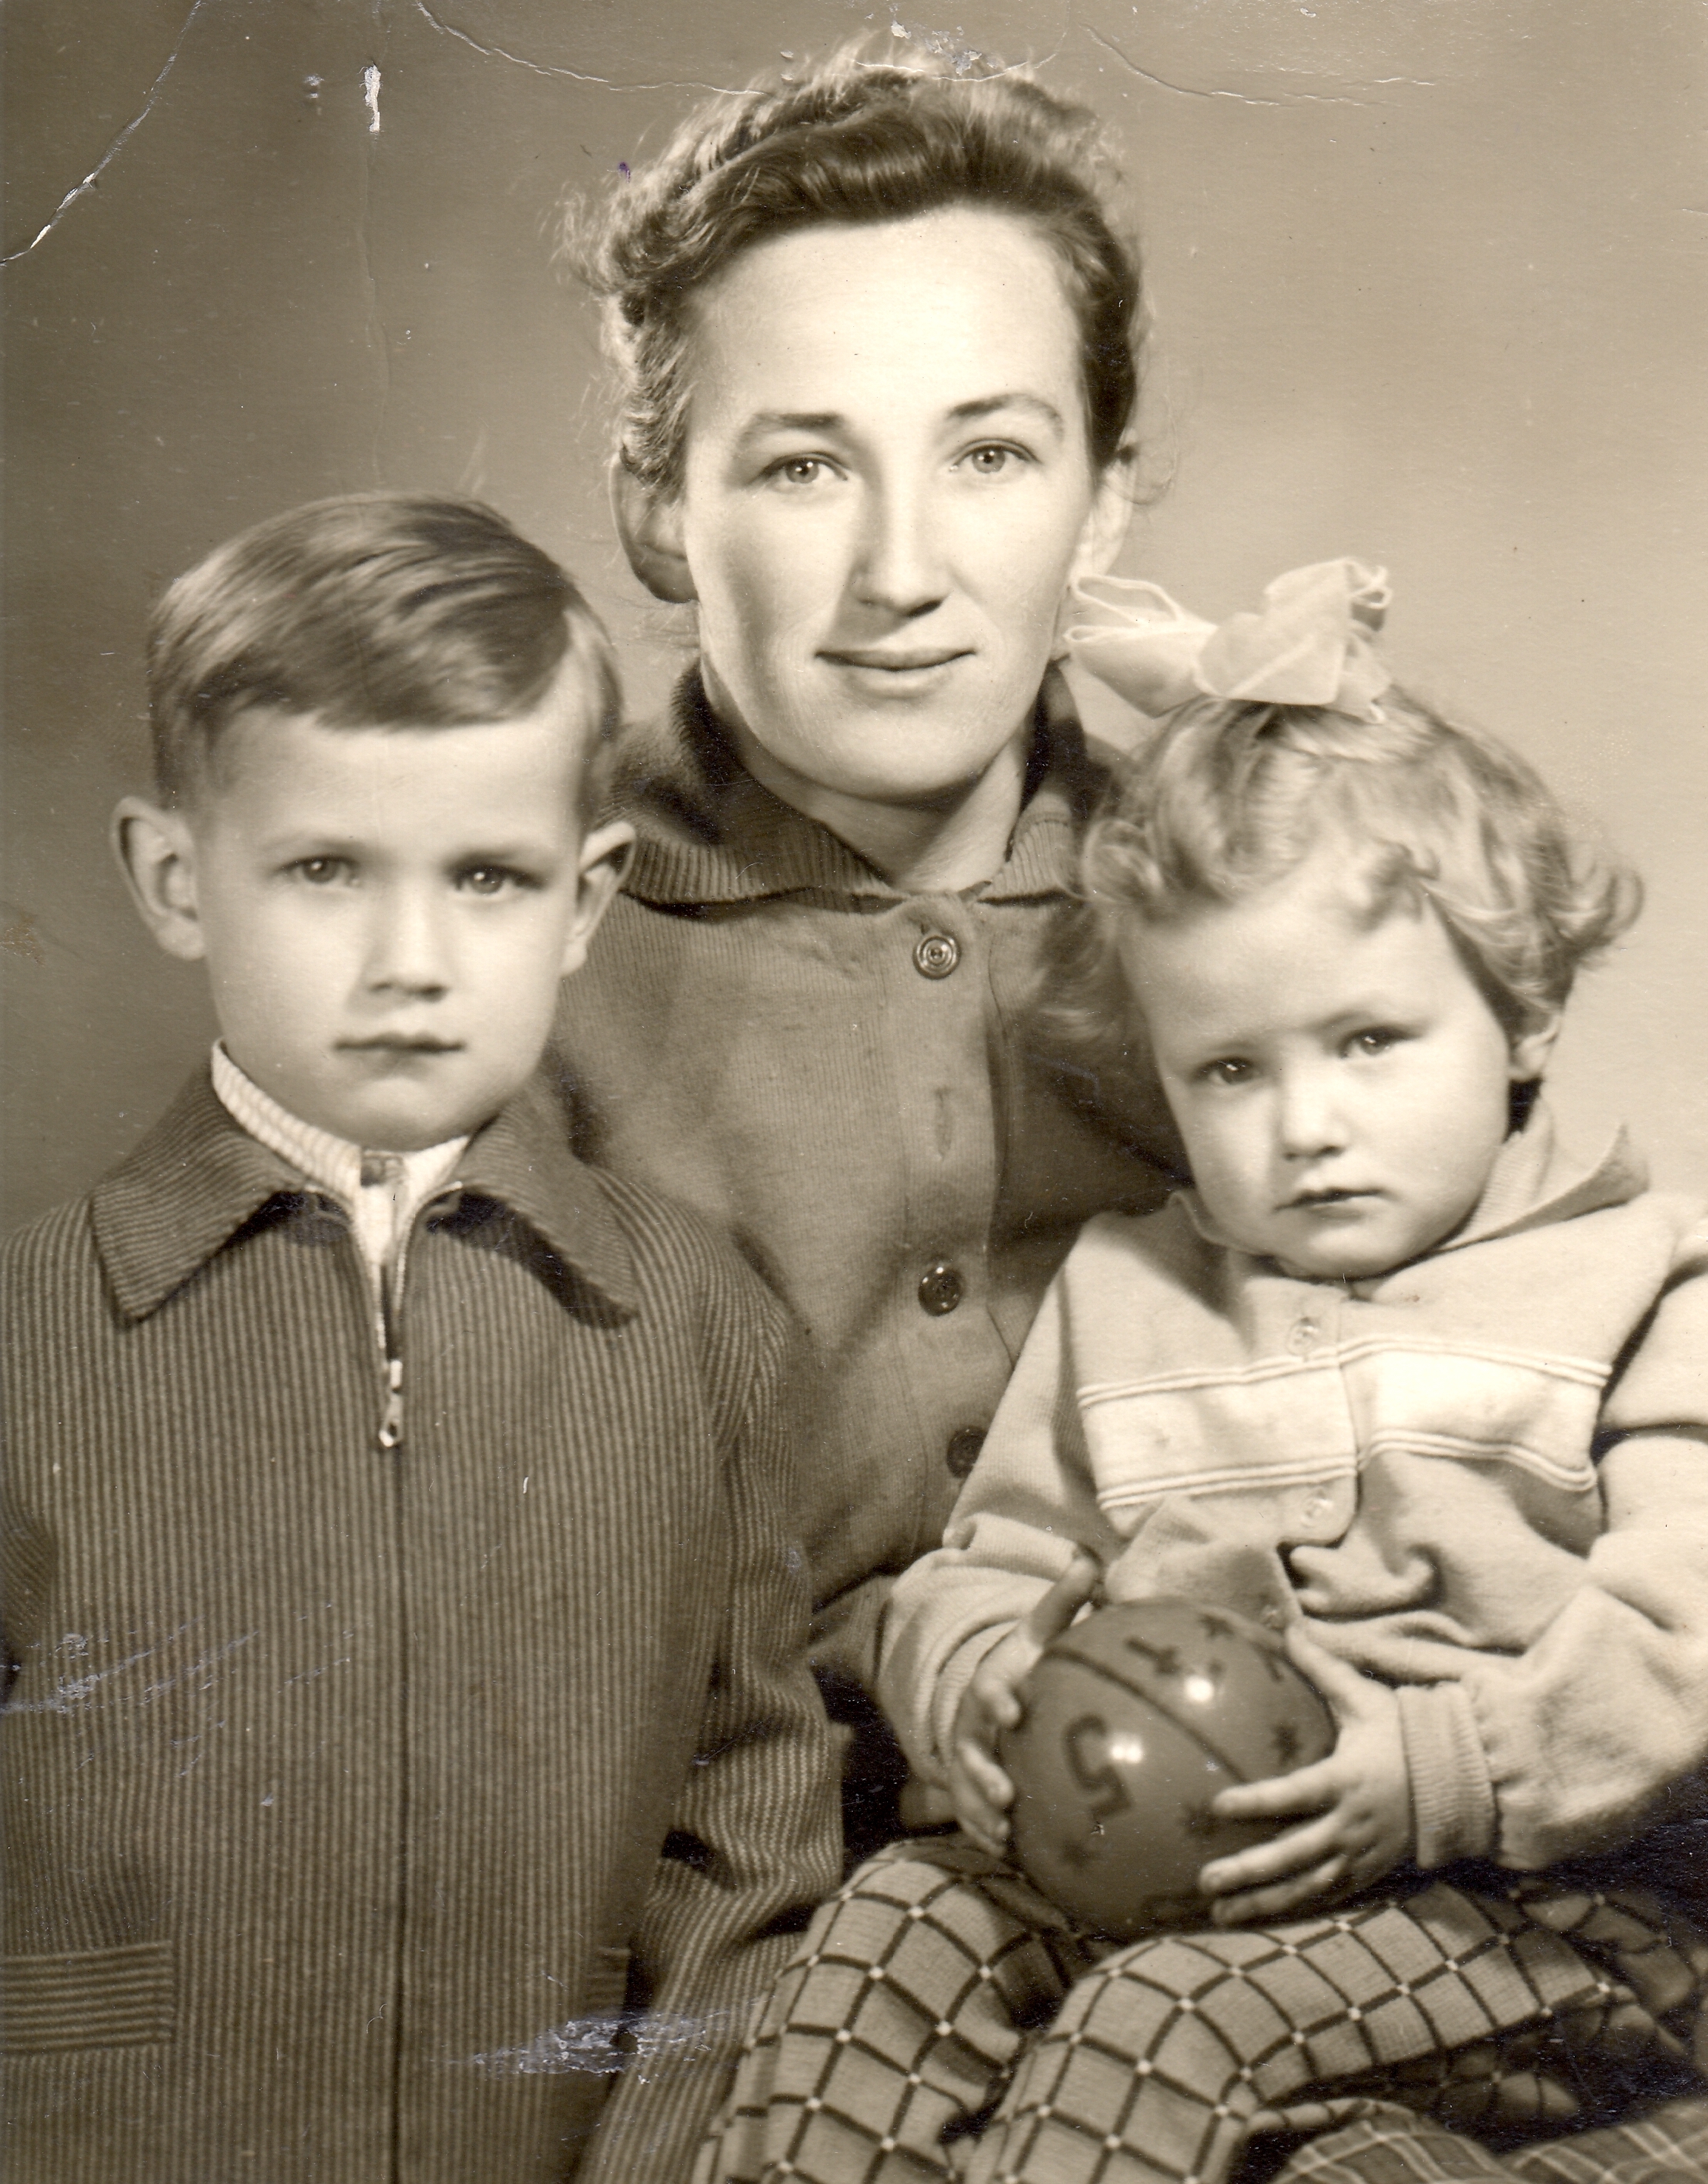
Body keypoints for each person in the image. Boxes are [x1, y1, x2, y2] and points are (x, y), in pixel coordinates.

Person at [698, 563, 1708, 2183]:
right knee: (889, 1928)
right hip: (1174, 1862)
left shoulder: (1647, 1279)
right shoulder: (1132, 1290)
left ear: (1520, 1015)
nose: (1305, 1127)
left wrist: (1436, 1774)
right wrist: (972, 1675)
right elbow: (997, 1558)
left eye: (1368, 1042)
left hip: (1543, 1903)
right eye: (1230, 1069)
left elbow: (1684, 1645)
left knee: (1153, 2023)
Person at [0, 493, 840, 2184]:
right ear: (175, 879)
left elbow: (749, 1854)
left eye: (486, 878)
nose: (410, 962)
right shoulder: (28, 1339)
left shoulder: (697, 1333)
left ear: (585, 899)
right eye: (325, 871)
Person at [557, 51, 1177, 1858]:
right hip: (705, 1898)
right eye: (805, 464)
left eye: (988, 454)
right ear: (657, 506)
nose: (900, 570)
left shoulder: (1251, 908)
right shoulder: (499, 948)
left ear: (1103, 500)